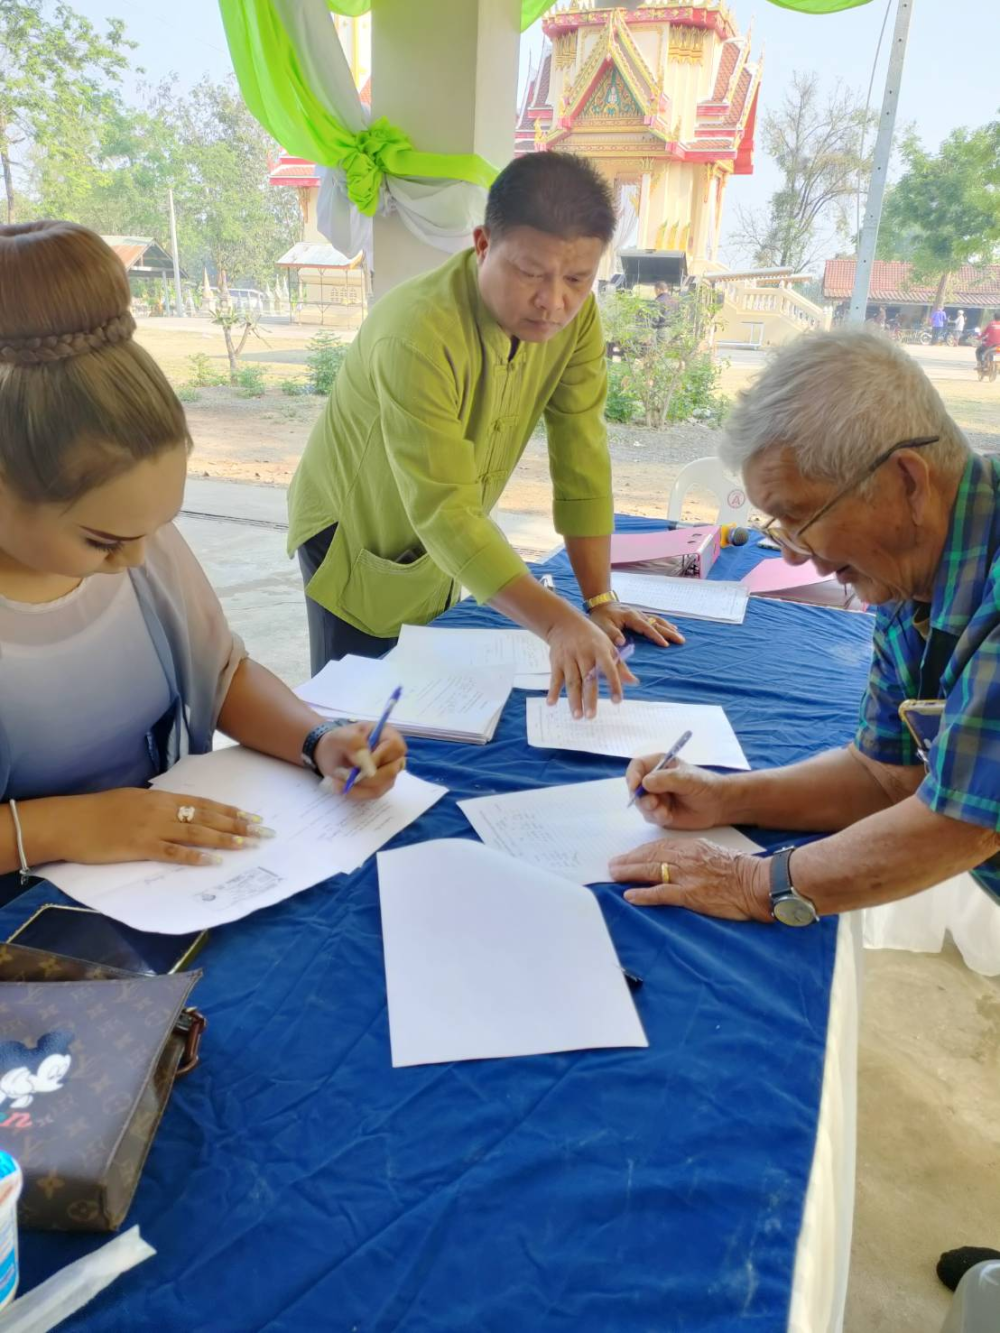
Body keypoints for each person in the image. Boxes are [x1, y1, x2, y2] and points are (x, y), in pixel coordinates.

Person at [0, 221, 406, 887]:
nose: (135, 561)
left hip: (158, 882)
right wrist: (62, 827)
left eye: (156, 526)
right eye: (102, 541)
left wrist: (317, 739)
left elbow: (217, 673)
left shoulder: (142, 546)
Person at [608, 327, 1000, 931]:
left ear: (906, 483)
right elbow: (887, 775)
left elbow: (963, 822)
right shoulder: (906, 569)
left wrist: (752, 881)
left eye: (800, 517)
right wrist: (729, 797)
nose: (792, 556)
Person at [287, 152, 683, 721]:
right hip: (356, 530)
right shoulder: (417, 333)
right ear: (481, 244)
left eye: (577, 279)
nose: (554, 302)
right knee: (360, 713)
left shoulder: (578, 321)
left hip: (447, 534)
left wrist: (597, 601)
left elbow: (583, 458)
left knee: (432, 701)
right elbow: (445, 511)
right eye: (530, 272)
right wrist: (556, 622)